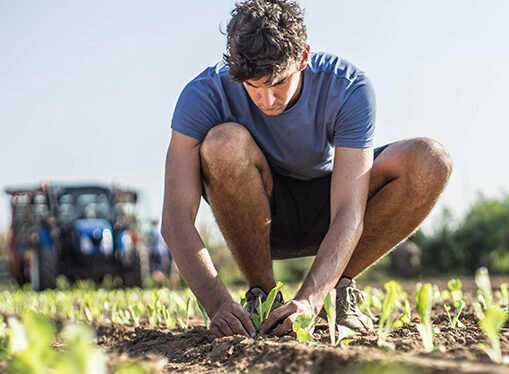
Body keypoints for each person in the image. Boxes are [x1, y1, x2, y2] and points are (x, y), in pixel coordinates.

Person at [161, 0, 452, 339]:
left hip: (329, 208)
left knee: (430, 160)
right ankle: (263, 297)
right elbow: (175, 219)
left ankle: (337, 290)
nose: (267, 101)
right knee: (223, 142)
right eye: (253, 87)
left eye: (279, 83)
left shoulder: (348, 87)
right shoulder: (202, 95)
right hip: (255, 216)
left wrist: (311, 299)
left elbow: (348, 212)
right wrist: (217, 304)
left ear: (303, 56)